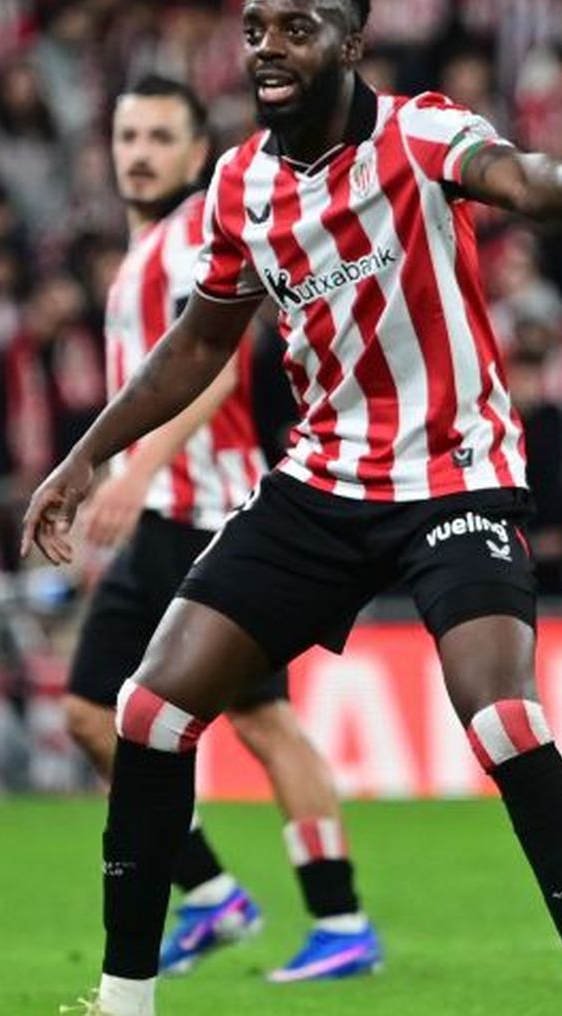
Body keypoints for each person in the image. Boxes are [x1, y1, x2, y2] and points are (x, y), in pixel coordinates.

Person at [24, 0, 562, 1015]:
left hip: (454, 476)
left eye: (296, 28)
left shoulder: (416, 133)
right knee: (146, 713)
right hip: (321, 484)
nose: (269, 48)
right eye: (256, 30)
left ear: (351, 43)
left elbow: (510, 171)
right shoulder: (240, 185)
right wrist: (84, 461)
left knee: (502, 721)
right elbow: (195, 345)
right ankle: (125, 1001)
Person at [64, 75, 382, 982]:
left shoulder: (192, 235)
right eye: (128, 133)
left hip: (207, 514)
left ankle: (341, 917)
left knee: (259, 718)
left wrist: (138, 471)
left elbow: (216, 367)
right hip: (167, 513)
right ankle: (210, 897)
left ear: (196, 150)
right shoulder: (141, 253)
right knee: (95, 715)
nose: (140, 152)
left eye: (161, 135)